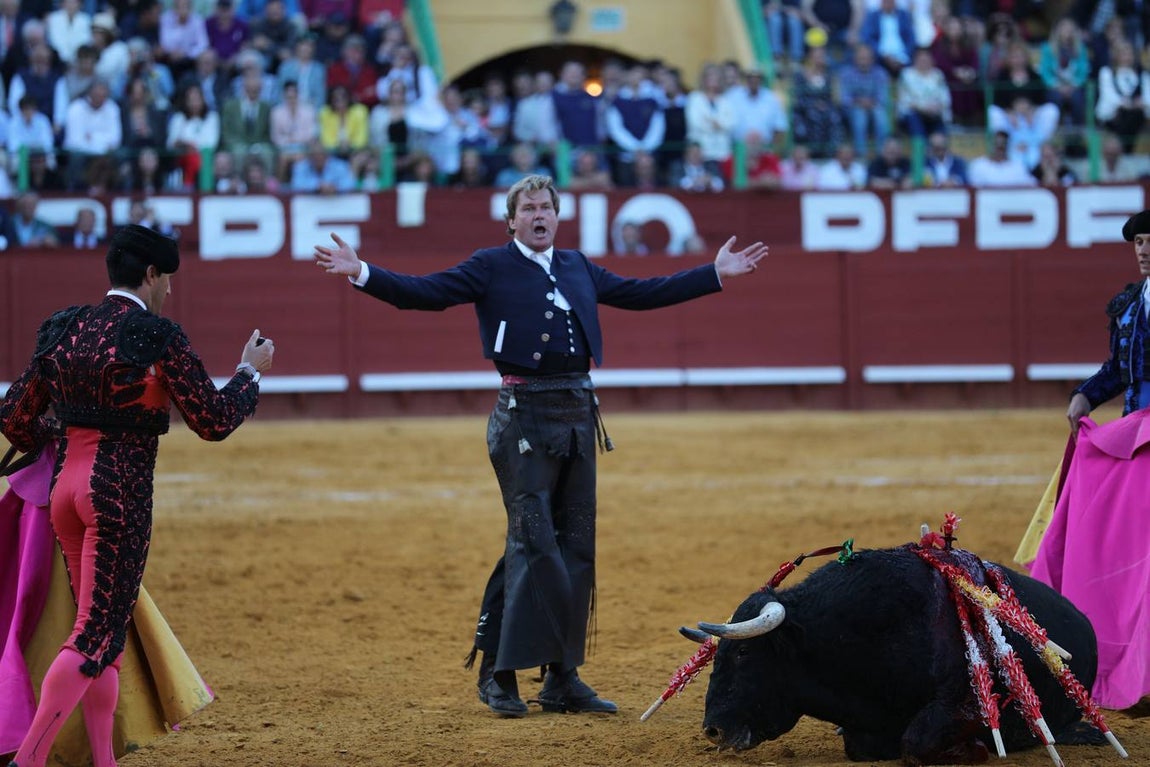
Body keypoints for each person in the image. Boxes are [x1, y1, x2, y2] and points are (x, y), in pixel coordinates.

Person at [312, 174, 766, 718]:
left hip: (577, 415)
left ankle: (561, 678)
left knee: (574, 548)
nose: (538, 215)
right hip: (522, 417)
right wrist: (362, 272)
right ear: (512, 220)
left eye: (546, 207)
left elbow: (641, 294)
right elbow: (426, 294)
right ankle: (498, 674)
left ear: (557, 215)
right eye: (528, 208)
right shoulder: (490, 265)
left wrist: (712, 273)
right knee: (534, 545)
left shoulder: (577, 265)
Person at [0, 224, 274, 767]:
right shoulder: (156, 335)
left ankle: (103, 759)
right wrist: (249, 373)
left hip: (65, 495)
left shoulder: (63, 327)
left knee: (103, 633)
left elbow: (13, 417)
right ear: (151, 275)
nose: (169, 288)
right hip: (116, 498)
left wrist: (58, 433)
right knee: (95, 635)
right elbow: (213, 420)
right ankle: (28, 761)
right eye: (167, 277)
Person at [1030, 209, 1150, 713]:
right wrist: (1085, 395)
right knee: (1130, 555)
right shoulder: (1129, 306)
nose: (1144, 250)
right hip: (1136, 446)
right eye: (1138, 242)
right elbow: (1119, 371)